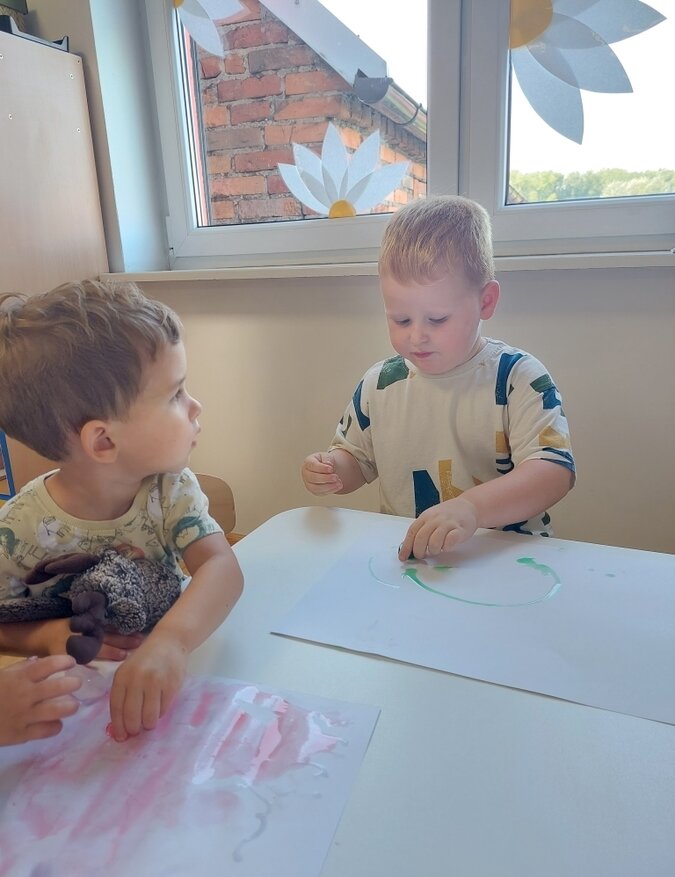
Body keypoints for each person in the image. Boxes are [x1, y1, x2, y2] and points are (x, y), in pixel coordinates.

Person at [0, 280, 243, 742]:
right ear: (104, 441)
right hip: (76, 724)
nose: (195, 406)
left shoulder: (170, 489)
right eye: (175, 394)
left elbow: (221, 567)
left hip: (180, 687)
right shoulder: (18, 529)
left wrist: (171, 642)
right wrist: (45, 635)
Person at [302, 195, 575, 560]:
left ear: (485, 302)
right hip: (415, 560)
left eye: (437, 319)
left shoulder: (518, 378)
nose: (417, 336)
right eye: (400, 319)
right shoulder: (379, 384)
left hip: (505, 560)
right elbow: (355, 460)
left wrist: (472, 509)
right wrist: (331, 470)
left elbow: (553, 473)